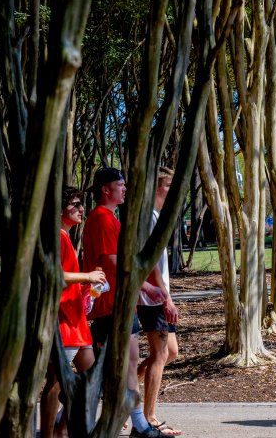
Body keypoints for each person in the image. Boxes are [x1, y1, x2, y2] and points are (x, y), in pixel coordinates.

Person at [82, 167, 169, 438]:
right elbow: (111, 262)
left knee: (126, 364)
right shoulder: (101, 218)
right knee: (112, 368)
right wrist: (146, 286)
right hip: (110, 306)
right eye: (120, 185)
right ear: (106, 189)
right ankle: (134, 424)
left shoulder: (110, 219)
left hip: (120, 304)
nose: (125, 189)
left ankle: (135, 423)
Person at [40, 187, 106, 438]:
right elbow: (54, 275)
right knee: (56, 382)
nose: (82, 210)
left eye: (82, 204)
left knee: (90, 380)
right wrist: (86, 276)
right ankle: (49, 434)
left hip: (76, 321)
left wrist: (86, 288)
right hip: (62, 321)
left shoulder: (65, 237)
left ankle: (62, 429)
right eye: (76, 205)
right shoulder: (56, 237)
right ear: (59, 210)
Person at [137, 167, 182, 436]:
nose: (173, 191)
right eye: (169, 186)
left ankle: (122, 395)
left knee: (171, 352)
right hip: (151, 298)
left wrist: (169, 296)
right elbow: (151, 262)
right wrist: (165, 298)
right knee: (160, 354)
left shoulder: (156, 217)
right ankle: (149, 416)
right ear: (156, 188)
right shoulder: (148, 219)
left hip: (159, 295)